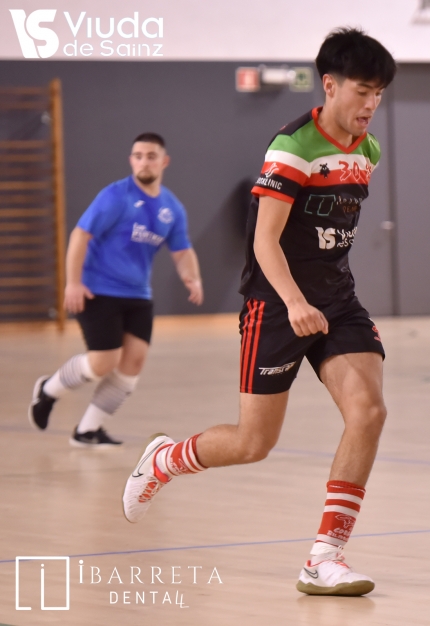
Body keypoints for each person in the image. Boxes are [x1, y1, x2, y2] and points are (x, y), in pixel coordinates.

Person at [122, 28, 395, 598]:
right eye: (362, 91)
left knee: (369, 412)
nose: (371, 103)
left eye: (379, 93)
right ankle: (165, 460)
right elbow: (264, 240)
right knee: (254, 443)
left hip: (337, 301)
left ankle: (324, 557)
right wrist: (294, 302)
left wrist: (321, 297)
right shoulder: (293, 148)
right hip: (276, 305)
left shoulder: (367, 150)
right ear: (330, 85)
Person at [28, 133, 203, 446]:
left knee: (132, 363)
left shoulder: (172, 208)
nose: (144, 162)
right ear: (131, 160)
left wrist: (192, 277)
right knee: (103, 363)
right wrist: (73, 283)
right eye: (138, 156)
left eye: (151, 156)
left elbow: (181, 250)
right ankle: (48, 390)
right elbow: (80, 236)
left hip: (138, 295)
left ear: (164, 162)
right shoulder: (115, 196)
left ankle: (87, 431)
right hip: (98, 290)